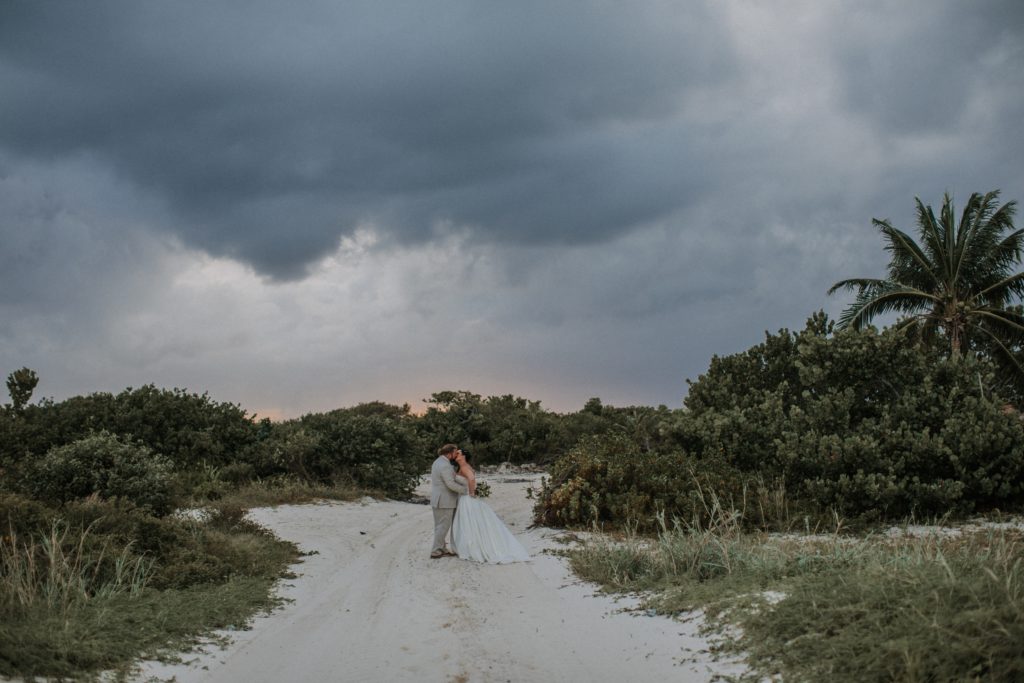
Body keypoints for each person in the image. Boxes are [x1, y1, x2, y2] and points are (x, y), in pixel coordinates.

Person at [451, 448, 530, 564]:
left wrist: (472, 492)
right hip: (464, 497)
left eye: (458, 453)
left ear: (463, 456)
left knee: (468, 522)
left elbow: (472, 479)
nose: (456, 455)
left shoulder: (464, 467)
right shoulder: (463, 466)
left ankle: (472, 547)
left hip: (466, 498)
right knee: (468, 522)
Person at [430, 443, 468, 559]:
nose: (456, 454)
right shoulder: (445, 465)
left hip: (438, 499)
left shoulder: (437, 462)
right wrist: (465, 490)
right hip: (445, 501)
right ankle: (436, 551)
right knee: (443, 527)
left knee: (439, 526)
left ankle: (442, 548)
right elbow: (450, 483)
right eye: (455, 452)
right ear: (449, 453)